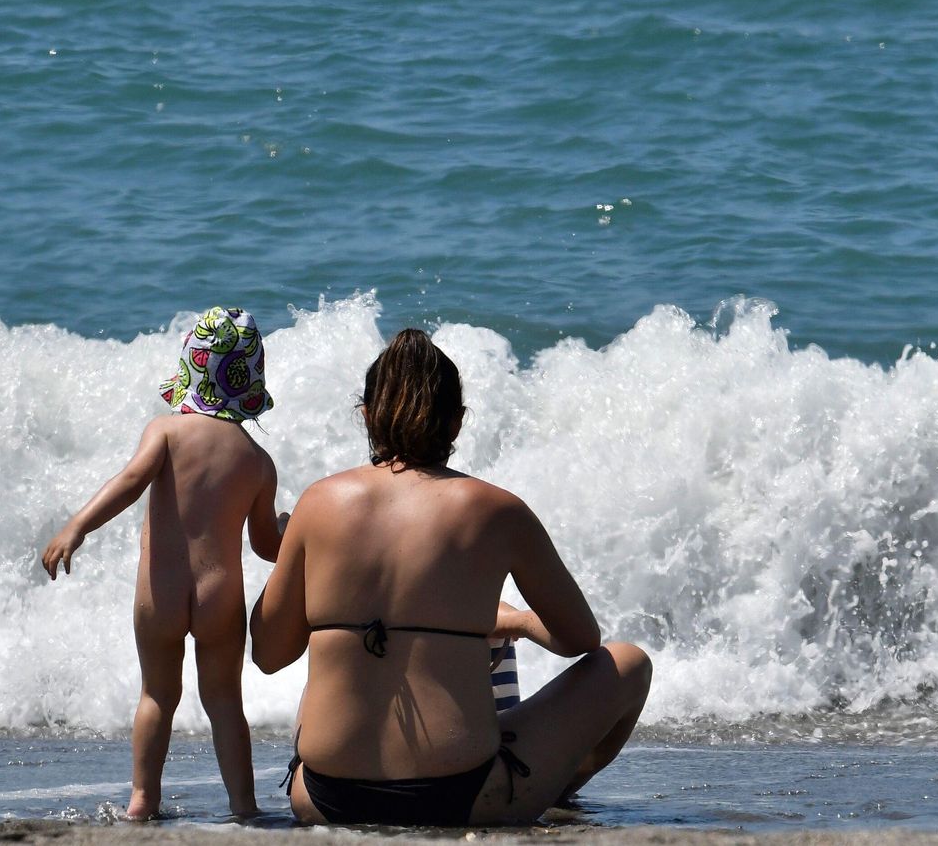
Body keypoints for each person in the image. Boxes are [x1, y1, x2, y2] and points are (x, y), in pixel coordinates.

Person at [249, 329, 651, 826]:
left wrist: (296, 554)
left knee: (341, 661)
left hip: (323, 799)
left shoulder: (319, 502)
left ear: (367, 415)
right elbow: (580, 640)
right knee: (628, 663)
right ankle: (553, 788)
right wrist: (518, 623)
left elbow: (268, 654)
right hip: (459, 798)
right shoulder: (499, 510)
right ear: (457, 422)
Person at [42, 306, 286, 821]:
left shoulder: (167, 431)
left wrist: (77, 526)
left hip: (161, 591)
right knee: (224, 704)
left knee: (157, 694)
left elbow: (130, 482)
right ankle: (244, 806)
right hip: (220, 595)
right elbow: (266, 546)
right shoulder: (258, 462)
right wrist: (292, 532)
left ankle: (142, 801)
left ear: (190, 372)